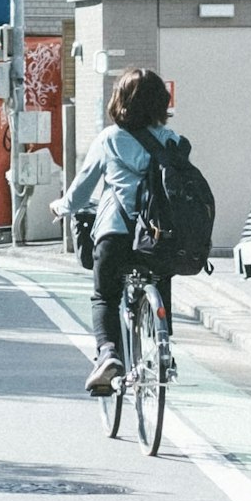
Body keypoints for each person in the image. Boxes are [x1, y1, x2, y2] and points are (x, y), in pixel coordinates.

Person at [85, 68, 188, 398]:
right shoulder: (174, 143)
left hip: (116, 234)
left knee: (105, 296)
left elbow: (80, 189)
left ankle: (108, 354)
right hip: (157, 236)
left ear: (121, 101)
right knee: (160, 277)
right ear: (162, 103)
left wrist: (61, 206)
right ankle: (163, 347)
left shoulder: (109, 139)